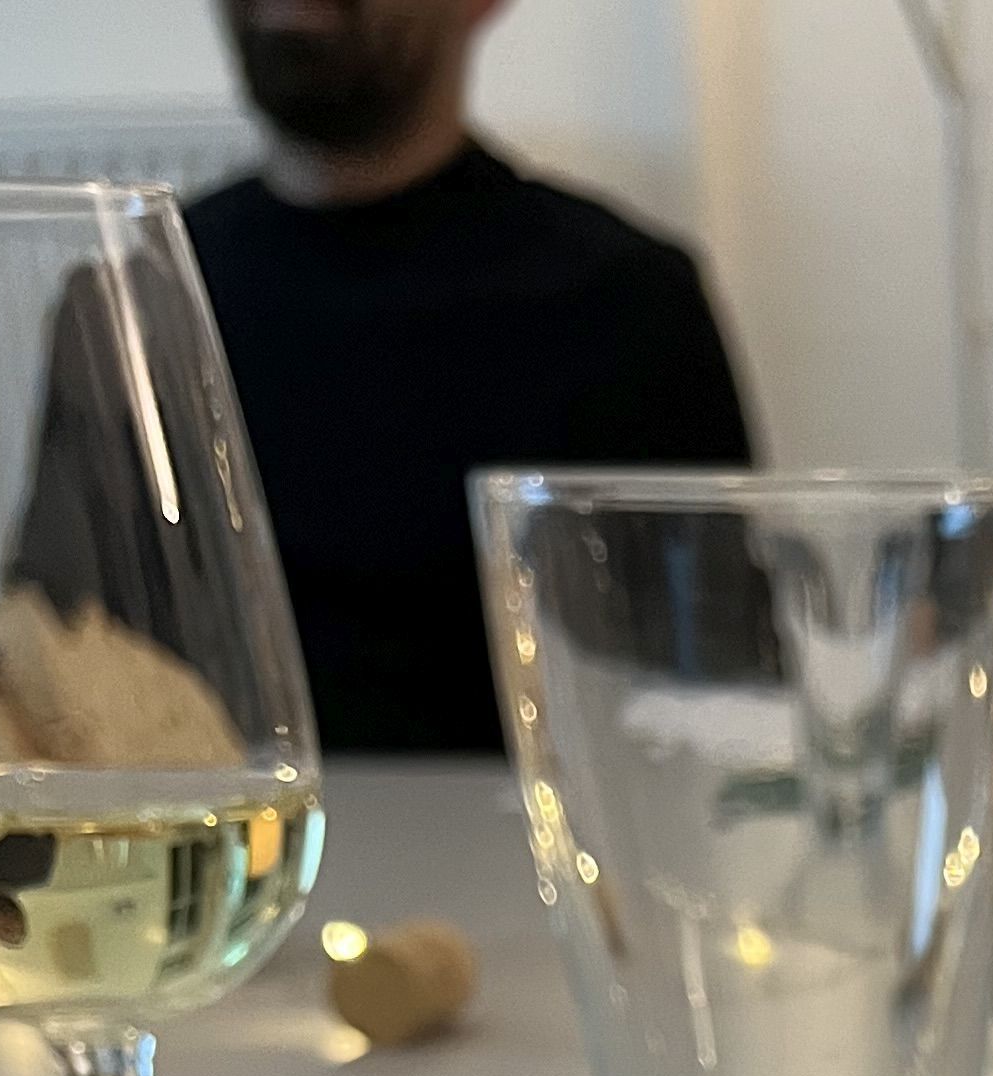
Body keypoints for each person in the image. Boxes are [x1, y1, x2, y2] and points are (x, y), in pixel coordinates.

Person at [182, 0, 755, 750]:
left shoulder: (627, 303)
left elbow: (718, 702)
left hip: (531, 820)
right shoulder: (146, 298)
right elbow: (64, 651)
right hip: (209, 818)